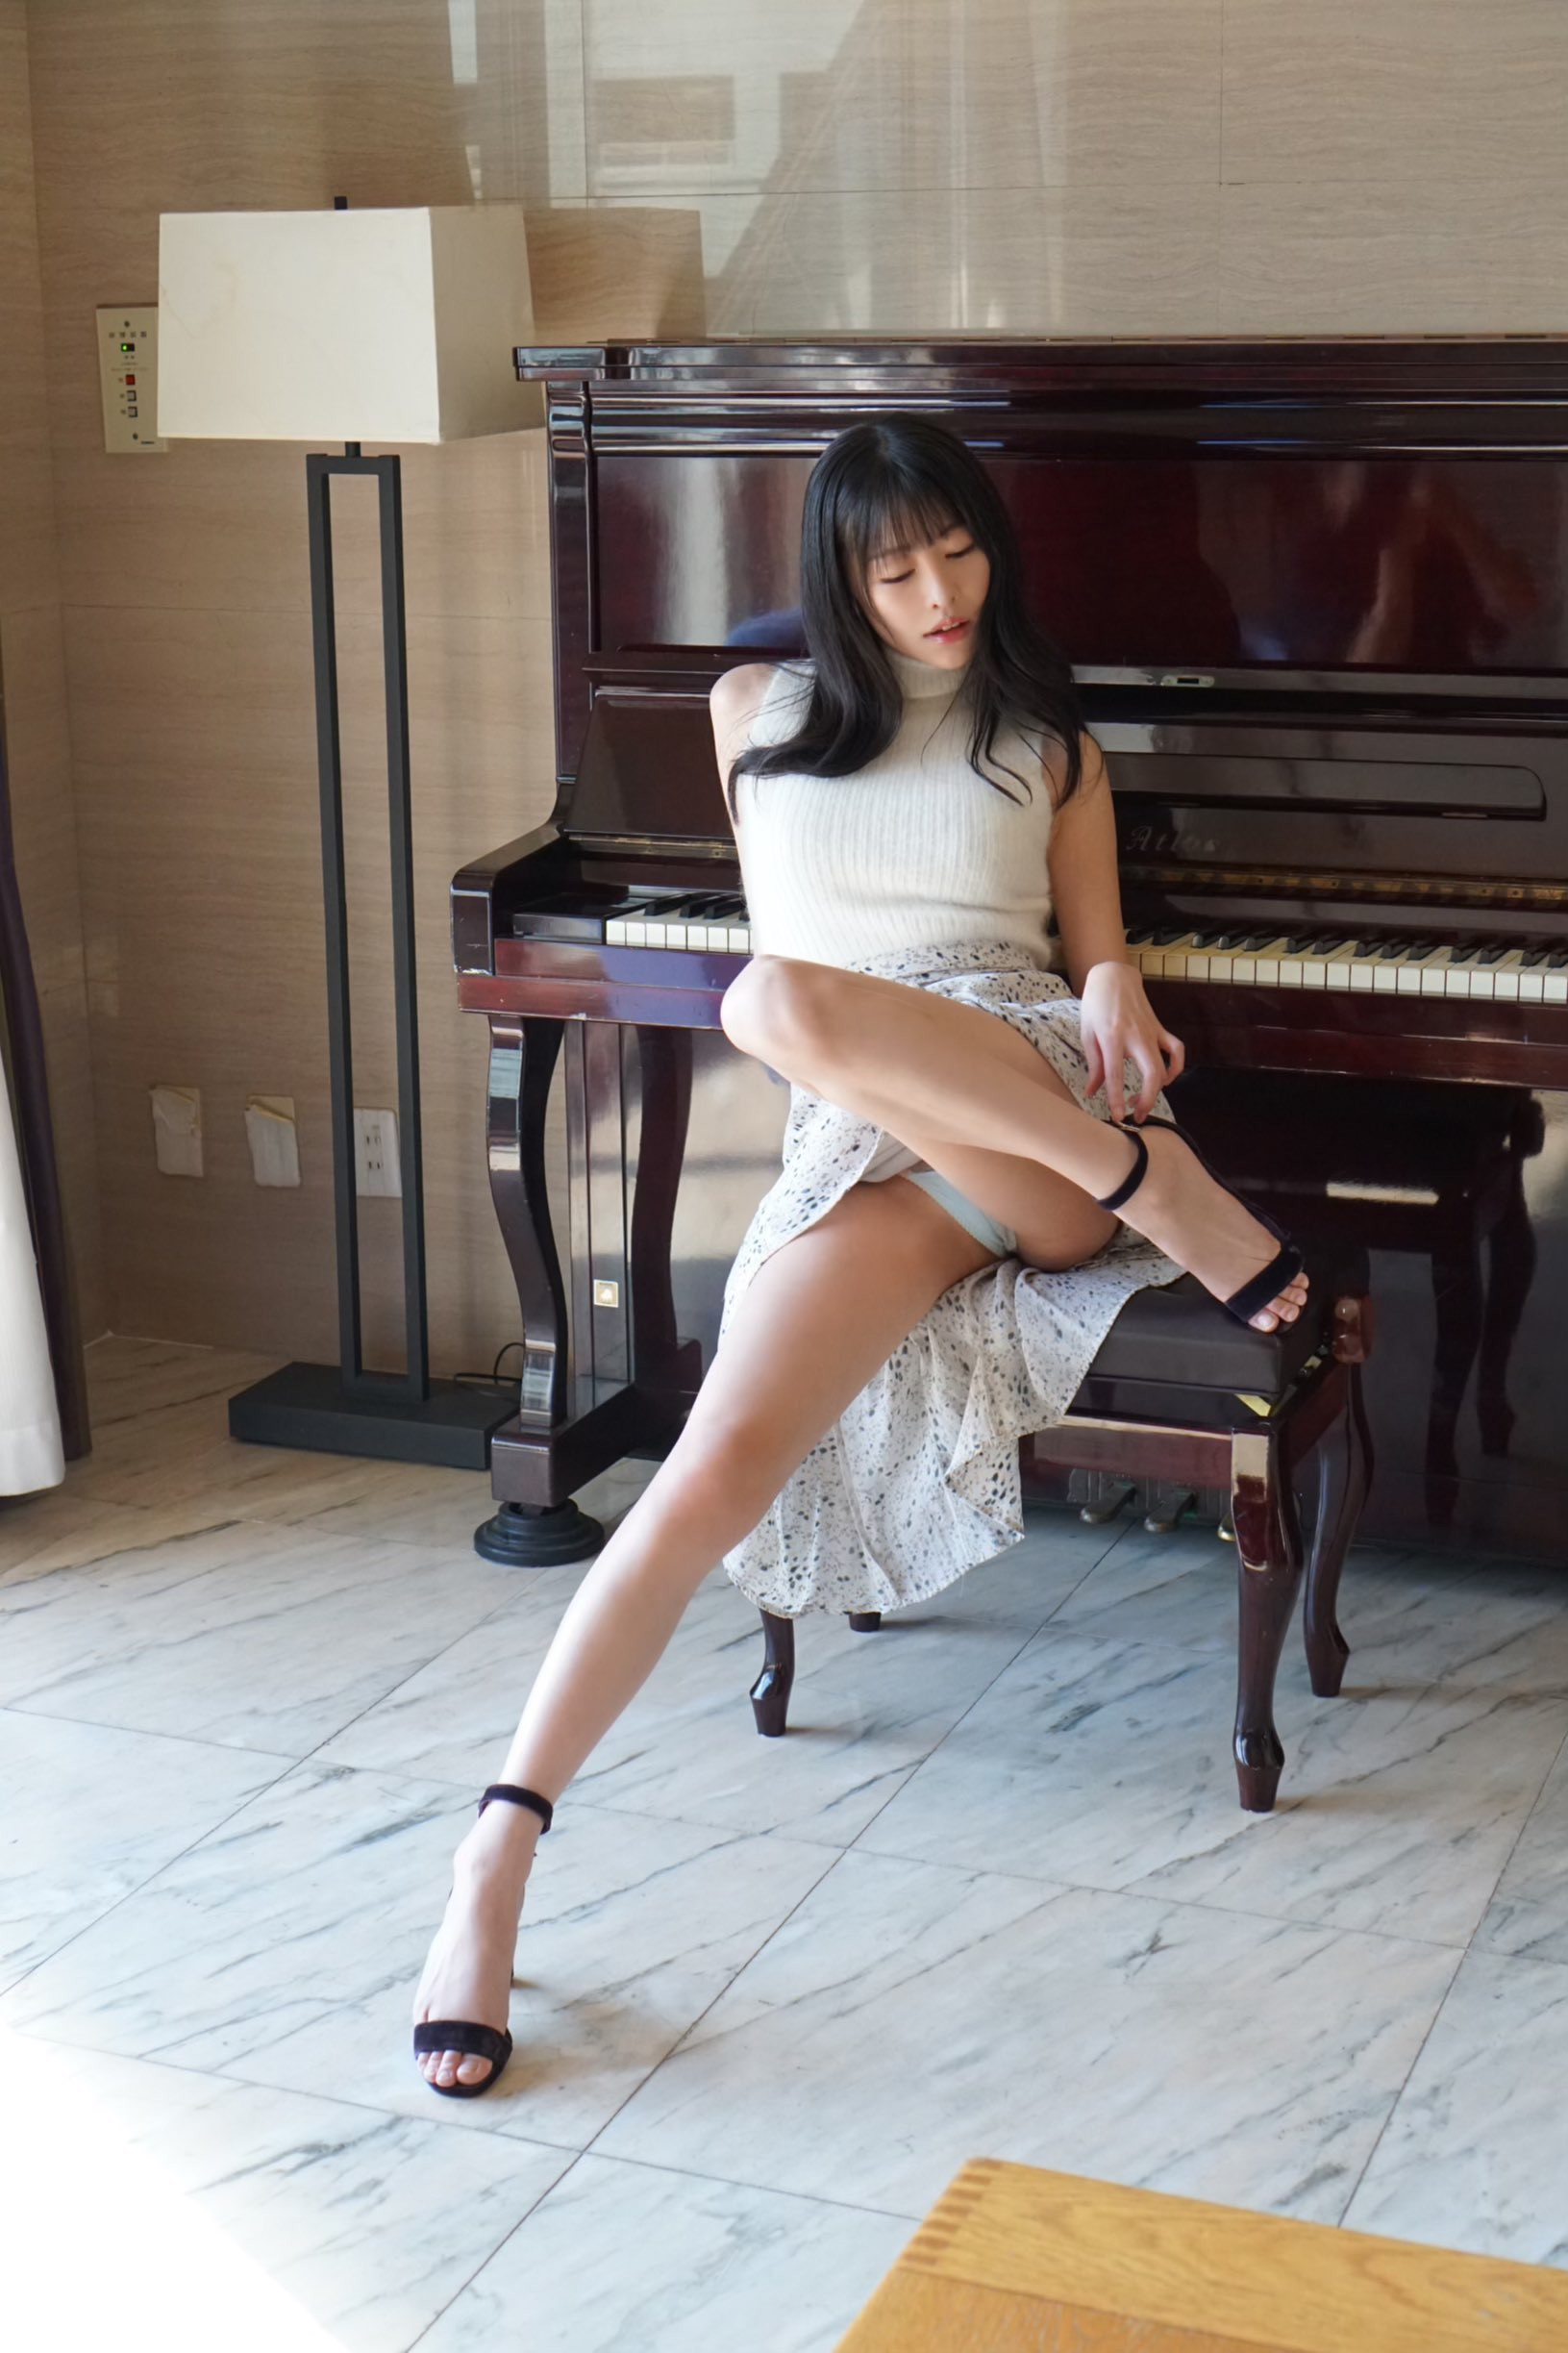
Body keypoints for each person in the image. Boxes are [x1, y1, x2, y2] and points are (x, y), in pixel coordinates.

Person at [411, 414, 1308, 2096]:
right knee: (706, 1468)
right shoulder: (750, 712)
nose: (938, 595)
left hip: (1031, 1120)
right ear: (838, 576)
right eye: (895, 571)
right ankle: (495, 1860)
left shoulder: (1051, 742)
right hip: (864, 1133)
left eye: (958, 553)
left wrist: (1117, 982)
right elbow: (797, 948)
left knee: (777, 1003)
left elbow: (1094, 960)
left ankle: (1143, 1179)